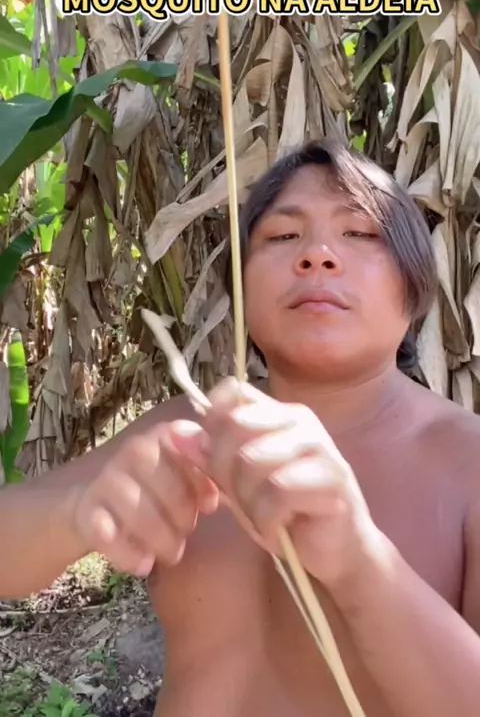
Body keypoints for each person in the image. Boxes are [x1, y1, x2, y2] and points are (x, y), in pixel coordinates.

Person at [1, 139, 480, 717]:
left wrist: (361, 563)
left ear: (415, 286)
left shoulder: (468, 462)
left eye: (359, 233)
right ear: (242, 289)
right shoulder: (189, 433)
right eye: (283, 236)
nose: (317, 254)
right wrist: (75, 514)